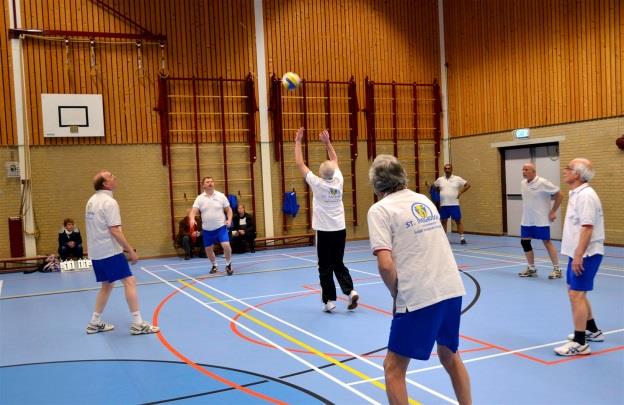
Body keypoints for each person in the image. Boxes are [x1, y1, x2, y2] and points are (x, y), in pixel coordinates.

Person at [367, 155, 471, 405]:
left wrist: (396, 294)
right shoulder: (423, 199)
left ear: (376, 183)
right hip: (451, 288)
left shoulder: (380, 210)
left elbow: (385, 264)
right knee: (450, 355)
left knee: (393, 367)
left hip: (419, 296)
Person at [84, 170, 159, 335]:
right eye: (110, 176)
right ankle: (138, 323)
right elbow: (115, 230)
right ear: (105, 184)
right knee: (130, 281)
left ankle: (94, 322)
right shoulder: (109, 203)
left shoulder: (91, 201)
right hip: (109, 251)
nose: (115, 177)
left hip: (97, 253)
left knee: (107, 285)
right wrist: (130, 250)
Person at [295, 127, 359, 312]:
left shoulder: (317, 183)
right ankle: (350, 291)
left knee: (325, 266)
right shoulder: (338, 180)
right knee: (338, 263)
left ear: (321, 174)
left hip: (324, 231)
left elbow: (300, 164)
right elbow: (335, 159)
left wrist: (298, 141)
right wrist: (327, 142)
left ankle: (329, 301)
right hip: (340, 229)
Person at [554, 158, 605, 356]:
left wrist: (578, 255)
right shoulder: (577, 193)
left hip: (586, 253)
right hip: (578, 252)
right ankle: (593, 330)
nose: (565, 170)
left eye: (569, 168)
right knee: (575, 292)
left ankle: (580, 342)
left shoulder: (586, 196)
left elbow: (587, 227)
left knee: (577, 294)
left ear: (577, 174)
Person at [518, 163, 564, 279]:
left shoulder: (542, 182)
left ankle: (557, 269)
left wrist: (553, 211)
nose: (523, 171)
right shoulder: (523, 183)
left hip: (541, 220)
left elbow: (560, 194)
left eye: (526, 169)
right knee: (525, 242)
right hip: (527, 220)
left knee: (547, 242)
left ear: (533, 171)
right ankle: (531, 268)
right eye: (523, 169)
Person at [189, 176, 234, 275]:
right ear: (203, 185)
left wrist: (229, 220)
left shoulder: (221, 196)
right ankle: (214, 265)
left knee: (226, 245)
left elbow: (229, 210)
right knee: (208, 249)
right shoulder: (199, 198)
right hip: (207, 230)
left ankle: (228, 264)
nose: (210, 183)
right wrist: (192, 219)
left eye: (211, 181)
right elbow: (193, 211)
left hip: (220, 227)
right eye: (207, 182)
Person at [434, 163, 471, 244]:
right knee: (443, 221)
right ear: (444, 170)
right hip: (444, 205)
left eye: (449, 168)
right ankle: (444, 239)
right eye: (446, 169)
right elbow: (435, 186)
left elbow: (467, 185)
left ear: (451, 169)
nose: (447, 170)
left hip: (454, 204)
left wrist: (460, 192)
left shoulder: (457, 178)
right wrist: (439, 193)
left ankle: (462, 238)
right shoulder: (440, 179)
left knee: (458, 221)